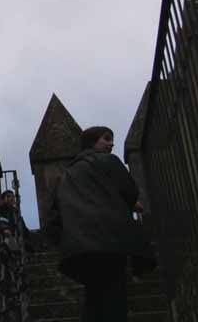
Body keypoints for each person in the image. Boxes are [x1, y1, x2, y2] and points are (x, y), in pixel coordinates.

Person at [49, 126, 145, 322]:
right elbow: (129, 190)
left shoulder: (67, 174)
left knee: (94, 296)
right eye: (106, 139)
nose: (111, 143)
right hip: (108, 239)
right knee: (115, 295)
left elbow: (55, 213)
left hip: (80, 246)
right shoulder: (107, 160)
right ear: (93, 142)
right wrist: (131, 204)